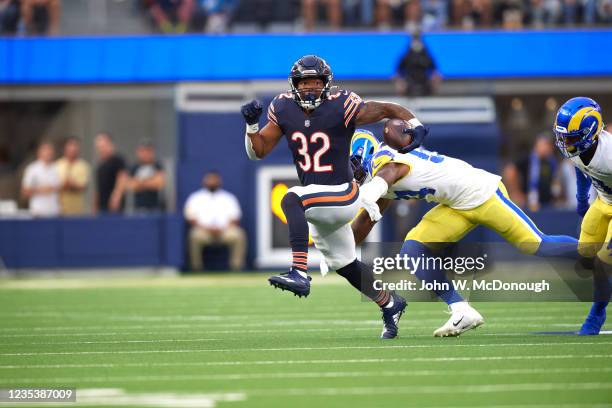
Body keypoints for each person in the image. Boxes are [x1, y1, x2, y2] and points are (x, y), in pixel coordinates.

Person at [240, 54, 428, 339]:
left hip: (342, 192)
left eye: (316, 82)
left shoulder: (343, 104)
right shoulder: (282, 106)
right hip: (320, 199)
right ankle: (390, 302)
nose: (310, 88)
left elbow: (387, 108)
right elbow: (259, 151)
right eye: (305, 83)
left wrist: (414, 122)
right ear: (295, 85)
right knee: (344, 262)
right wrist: (252, 126)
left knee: (292, 198)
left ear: (326, 84)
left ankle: (300, 272)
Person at [349, 124, 578, 337]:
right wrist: (339, 252)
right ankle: (461, 310)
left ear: (364, 154)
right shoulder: (377, 181)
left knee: (537, 244)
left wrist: (367, 195)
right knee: (412, 250)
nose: (350, 174)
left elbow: (388, 173)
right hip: (455, 206)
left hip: (482, 194)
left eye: (351, 166)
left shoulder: (385, 160)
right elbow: (363, 225)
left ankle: (598, 252)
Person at [553, 96, 611, 335]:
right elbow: (581, 169)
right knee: (585, 252)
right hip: (604, 201)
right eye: (563, 137)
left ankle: (597, 313)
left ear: (590, 132)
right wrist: (580, 199)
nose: (566, 144)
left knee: (604, 261)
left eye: (572, 138)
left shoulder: (608, 157)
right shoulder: (579, 149)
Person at [184, 171, 246, 271]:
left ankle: (236, 268)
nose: (212, 182)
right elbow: (190, 218)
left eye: (214, 180)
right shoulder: (195, 197)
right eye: (210, 179)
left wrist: (222, 228)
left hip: (224, 231)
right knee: (194, 235)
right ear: (205, 181)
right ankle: (196, 269)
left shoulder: (228, 198)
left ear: (219, 181)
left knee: (239, 235)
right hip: (203, 231)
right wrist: (208, 228)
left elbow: (235, 217)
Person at [503, 134, 561, 211]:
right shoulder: (527, 159)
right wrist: (516, 193)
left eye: (548, 145)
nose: (546, 148)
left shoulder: (552, 161)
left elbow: (556, 181)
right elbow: (509, 171)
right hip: (529, 204)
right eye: (543, 145)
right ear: (536, 146)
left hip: (548, 203)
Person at [21, 141, 61, 217]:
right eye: (45, 150)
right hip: (38, 211)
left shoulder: (57, 168)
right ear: (39, 153)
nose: (48, 153)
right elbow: (24, 191)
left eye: (50, 150)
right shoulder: (32, 169)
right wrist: (41, 190)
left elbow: (59, 188)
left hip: (54, 211)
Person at [395, 31, 440, 97]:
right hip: (409, 81)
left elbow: (434, 68)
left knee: (434, 80)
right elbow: (398, 69)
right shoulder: (407, 55)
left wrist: (435, 78)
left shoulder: (426, 54)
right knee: (401, 84)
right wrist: (400, 80)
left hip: (424, 81)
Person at [94, 133, 128, 214]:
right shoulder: (100, 164)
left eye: (103, 146)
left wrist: (116, 197)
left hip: (114, 206)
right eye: (99, 147)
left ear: (110, 144)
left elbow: (122, 178)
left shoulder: (118, 160)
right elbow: (98, 187)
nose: (101, 149)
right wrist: (95, 205)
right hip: (102, 206)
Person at [55, 136, 90, 216]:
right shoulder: (57, 165)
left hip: (77, 210)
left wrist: (72, 185)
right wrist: (66, 185)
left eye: (75, 146)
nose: (73, 149)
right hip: (59, 209)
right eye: (70, 146)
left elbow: (83, 186)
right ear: (65, 148)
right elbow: (54, 187)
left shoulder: (83, 166)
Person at [128, 140, 165, 212]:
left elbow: (159, 183)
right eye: (142, 151)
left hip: (155, 207)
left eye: (148, 151)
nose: (145, 154)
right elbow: (132, 186)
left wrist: (140, 182)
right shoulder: (134, 167)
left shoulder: (157, 166)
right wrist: (151, 181)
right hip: (138, 207)